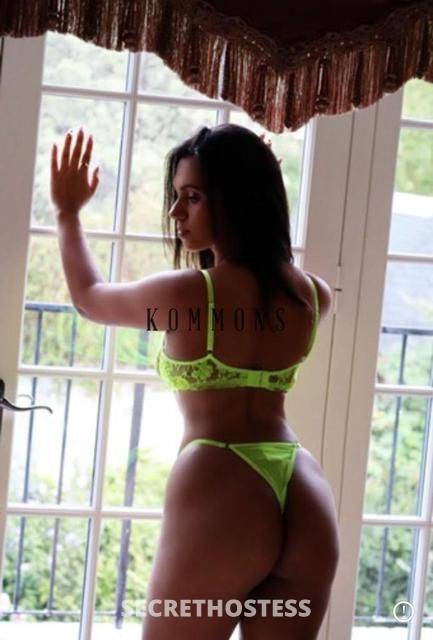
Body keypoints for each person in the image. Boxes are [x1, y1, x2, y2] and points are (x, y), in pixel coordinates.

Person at [51, 123, 340, 639]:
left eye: (192, 197)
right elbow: (256, 277)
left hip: (223, 488)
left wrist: (67, 214)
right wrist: (253, 177)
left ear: (234, 200)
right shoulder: (313, 296)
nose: (175, 213)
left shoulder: (187, 296)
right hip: (304, 494)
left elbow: (90, 298)